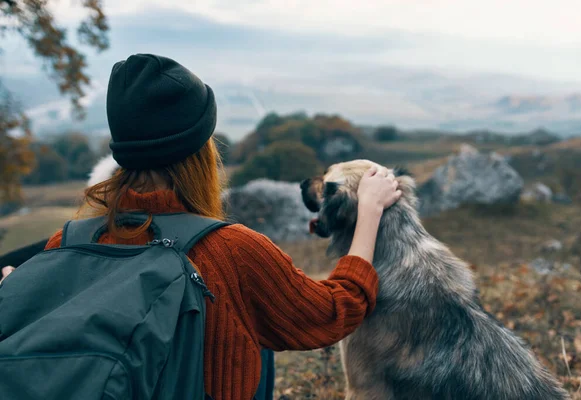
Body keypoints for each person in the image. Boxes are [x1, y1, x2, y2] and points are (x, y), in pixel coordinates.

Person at [3, 54, 401, 400]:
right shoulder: (232, 251)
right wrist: (368, 212)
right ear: (201, 151)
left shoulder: (67, 242)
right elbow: (332, 313)